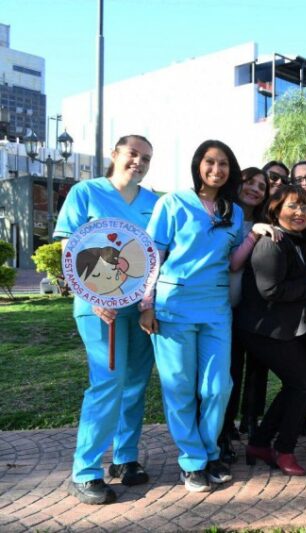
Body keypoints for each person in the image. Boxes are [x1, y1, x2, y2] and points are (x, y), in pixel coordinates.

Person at [55, 135, 157, 505]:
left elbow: (156, 255)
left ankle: (125, 458)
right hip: (99, 305)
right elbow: (69, 247)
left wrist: (149, 304)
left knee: (136, 382)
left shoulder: (153, 202)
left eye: (146, 157)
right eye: (133, 154)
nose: (139, 162)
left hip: (139, 306)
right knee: (108, 382)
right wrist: (93, 295)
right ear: (114, 154)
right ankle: (85, 471)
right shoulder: (85, 193)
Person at [140, 139, 245, 493]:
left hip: (216, 307)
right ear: (198, 165)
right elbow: (152, 256)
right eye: (210, 162)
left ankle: (209, 451)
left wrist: (254, 235)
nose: (217, 169)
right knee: (180, 386)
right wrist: (146, 305)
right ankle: (192, 461)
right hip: (174, 306)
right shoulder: (172, 203)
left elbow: (234, 261)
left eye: (224, 163)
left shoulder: (235, 212)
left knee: (218, 387)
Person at [237, 185, 306, 476]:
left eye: (305, 207)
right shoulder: (271, 243)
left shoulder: (297, 241)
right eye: (292, 206)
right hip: (265, 331)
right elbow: (270, 290)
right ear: (276, 210)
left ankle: (260, 443)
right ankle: (284, 449)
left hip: (285, 329)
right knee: (303, 383)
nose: (300, 212)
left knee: (299, 383)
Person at [221, 166, 282, 462]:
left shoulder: (267, 224)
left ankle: (248, 421)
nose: (255, 189)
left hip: (252, 308)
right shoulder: (222, 216)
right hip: (220, 305)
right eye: (250, 182)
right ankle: (224, 429)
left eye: (261, 186)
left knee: (252, 370)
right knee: (228, 372)